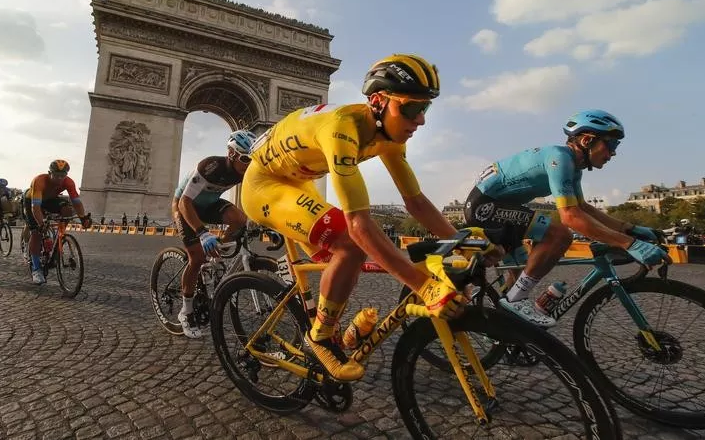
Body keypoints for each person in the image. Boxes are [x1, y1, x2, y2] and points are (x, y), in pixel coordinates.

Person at [241, 54, 483, 382]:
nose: (421, 120)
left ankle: (331, 325)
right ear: (378, 102)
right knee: (349, 244)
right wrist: (423, 286)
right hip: (264, 186)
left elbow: (416, 203)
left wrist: (463, 242)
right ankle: (320, 338)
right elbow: (360, 225)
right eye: (412, 109)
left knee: (347, 262)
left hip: (298, 181)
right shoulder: (342, 129)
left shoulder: (390, 138)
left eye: (426, 109)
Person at [464, 109, 670, 327]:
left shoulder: (572, 167)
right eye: (611, 145)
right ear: (587, 140)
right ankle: (515, 300)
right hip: (485, 206)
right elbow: (571, 217)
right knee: (559, 234)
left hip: (501, 206)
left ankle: (509, 334)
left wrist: (630, 229)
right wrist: (629, 243)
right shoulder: (559, 158)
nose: (613, 154)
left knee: (521, 274)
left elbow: (583, 208)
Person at [172, 129, 257, 338]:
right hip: (185, 206)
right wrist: (202, 232)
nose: (250, 165)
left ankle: (216, 250)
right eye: (246, 159)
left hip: (209, 205)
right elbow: (185, 201)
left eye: (253, 159)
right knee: (197, 257)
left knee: (240, 220)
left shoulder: (247, 169)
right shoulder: (209, 166)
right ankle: (186, 310)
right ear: (231, 155)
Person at [23, 160, 92, 284]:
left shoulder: (68, 182)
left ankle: (60, 235)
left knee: (67, 209)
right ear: (50, 173)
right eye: (56, 175)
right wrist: (41, 224)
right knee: (37, 233)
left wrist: (83, 218)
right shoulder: (39, 180)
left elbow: (76, 201)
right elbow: (36, 207)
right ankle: (36, 269)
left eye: (63, 175)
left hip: (50, 199)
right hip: (32, 201)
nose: (60, 178)